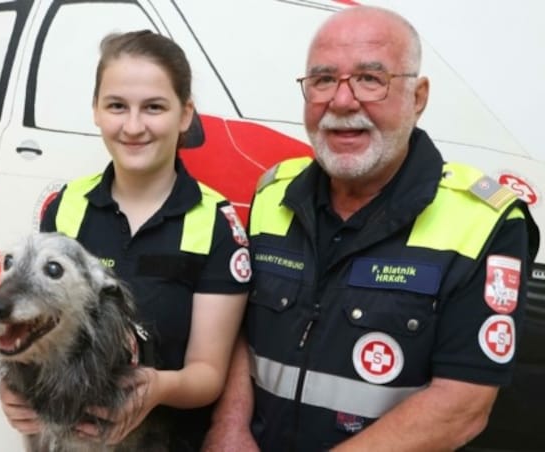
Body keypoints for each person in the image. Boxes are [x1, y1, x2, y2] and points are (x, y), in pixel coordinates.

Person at [203, 6, 539, 452]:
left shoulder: (484, 221)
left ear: (418, 97)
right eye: (323, 80)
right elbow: (240, 331)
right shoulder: (271, 196)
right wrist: (228, 428)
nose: (342, 102)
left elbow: (463, 406)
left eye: (370, 79)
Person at [0, 30, 251, 450]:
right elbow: (35, 326)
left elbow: (207, 373)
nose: (133, 127)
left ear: (185, 114)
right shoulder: (64, 207)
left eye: (154, 107)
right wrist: (16, 387)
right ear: (96, 111)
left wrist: (156, 390)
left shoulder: (217, 225)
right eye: (117, 106)